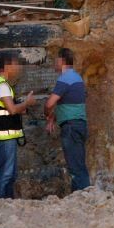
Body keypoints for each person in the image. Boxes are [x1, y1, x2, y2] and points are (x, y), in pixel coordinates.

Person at [0, 52, 34, 198]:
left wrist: (21, 108)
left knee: (7, 171)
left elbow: (2, 108)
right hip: (4, 133)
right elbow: (11, 110)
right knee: (7, 172)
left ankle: (6, 201)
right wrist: (27, 103)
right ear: (7, 66)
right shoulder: (2, 85)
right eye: (16, 64)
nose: (18, 67)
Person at [45, 48, 91, 192]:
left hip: (70, 127)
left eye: (56, 60)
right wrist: (53, 117)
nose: (54, 63)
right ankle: (79, 196)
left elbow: (49, 103)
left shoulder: (65, 79)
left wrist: (47, 114)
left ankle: (83, 196)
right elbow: (69, 104)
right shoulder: (77, 78)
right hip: (78, 124)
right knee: (78, 163)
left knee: (75, 166)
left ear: (62, 60)